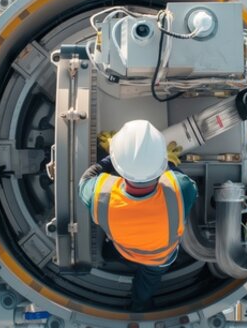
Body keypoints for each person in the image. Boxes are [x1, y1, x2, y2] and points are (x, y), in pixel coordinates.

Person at [79, 120, 197, 312]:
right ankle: (140, 304)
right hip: (159, 258)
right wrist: (167, 164)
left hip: (124, 248)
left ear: (118, 165)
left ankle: (115, 256)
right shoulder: (179, 190)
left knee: (116, 252)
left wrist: (109, 158)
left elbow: (85, 180)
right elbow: (183, 180)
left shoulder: (101, 195)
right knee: (148, 281)